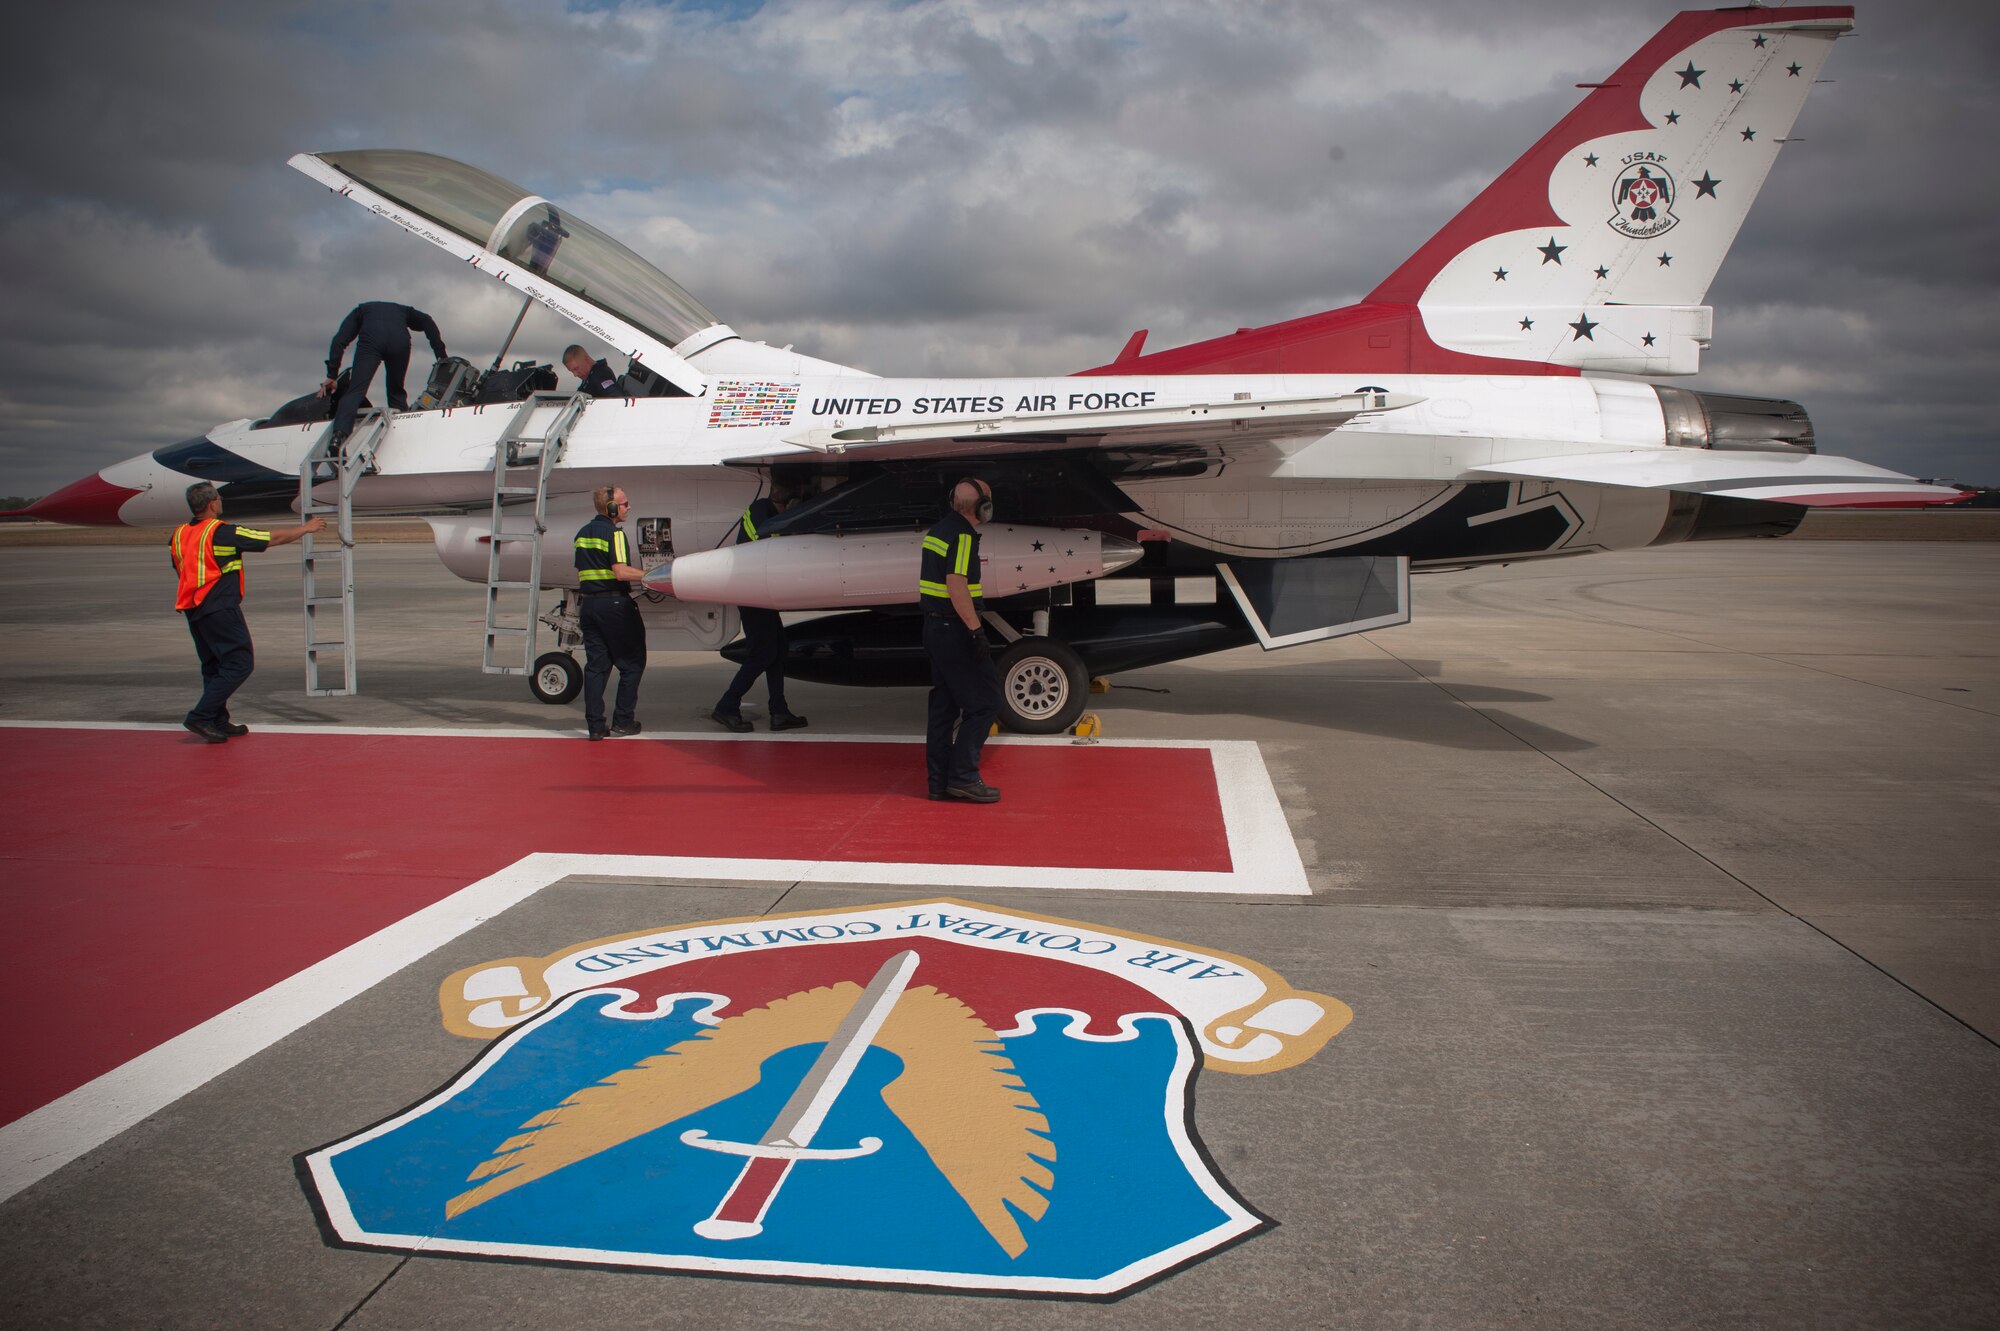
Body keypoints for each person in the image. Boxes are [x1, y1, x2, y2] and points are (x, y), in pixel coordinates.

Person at [169, 482, 325, 743]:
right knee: (240, 663)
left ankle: (217, 720)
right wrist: (306, 529)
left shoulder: (179, 534)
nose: (221, 501)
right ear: (211, 504)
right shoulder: (222, 532)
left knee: (213, 666)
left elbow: (179, 567)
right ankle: (201, 715)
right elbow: (270, 538)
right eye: (218, 498)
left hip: (193, 608)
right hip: (218, 607)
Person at [919, 478, 1002, 803]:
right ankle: (964, 778)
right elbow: (957, 585)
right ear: (983, 506)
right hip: (955, 631)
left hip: (934, 629)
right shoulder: (964, 536)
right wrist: (975, 631)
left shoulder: (937, 531)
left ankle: (938, 782)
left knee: (944, 706)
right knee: (986, 704)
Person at [711, 484, 808, 733]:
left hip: (763, 592)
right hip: (751, 591)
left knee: (778, 650)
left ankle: (779, 711)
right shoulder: (758, 510)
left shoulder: (769, 513)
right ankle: (726, 705)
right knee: (762, 654)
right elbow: (762, 540)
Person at [573, 484, 647, 740]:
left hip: (589, 606)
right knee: (632, 663)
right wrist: (651, 575)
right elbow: (620, 571)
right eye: (625, 504)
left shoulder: (582, 534)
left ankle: (595, 727)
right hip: (614, 606)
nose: (629, 507)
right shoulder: (614, 534)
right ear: (613, 508)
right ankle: (623, 722)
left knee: (597, 667)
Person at [322, 301, 447, 442]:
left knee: (356, 391)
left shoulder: (361, 310)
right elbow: (427, 321)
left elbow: (339, 341)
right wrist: (441, 356)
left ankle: (339, 436)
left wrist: (332, 374)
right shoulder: (404, 311)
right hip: (399, 341)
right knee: (396, 391)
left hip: (371, 340)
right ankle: (402, 432)